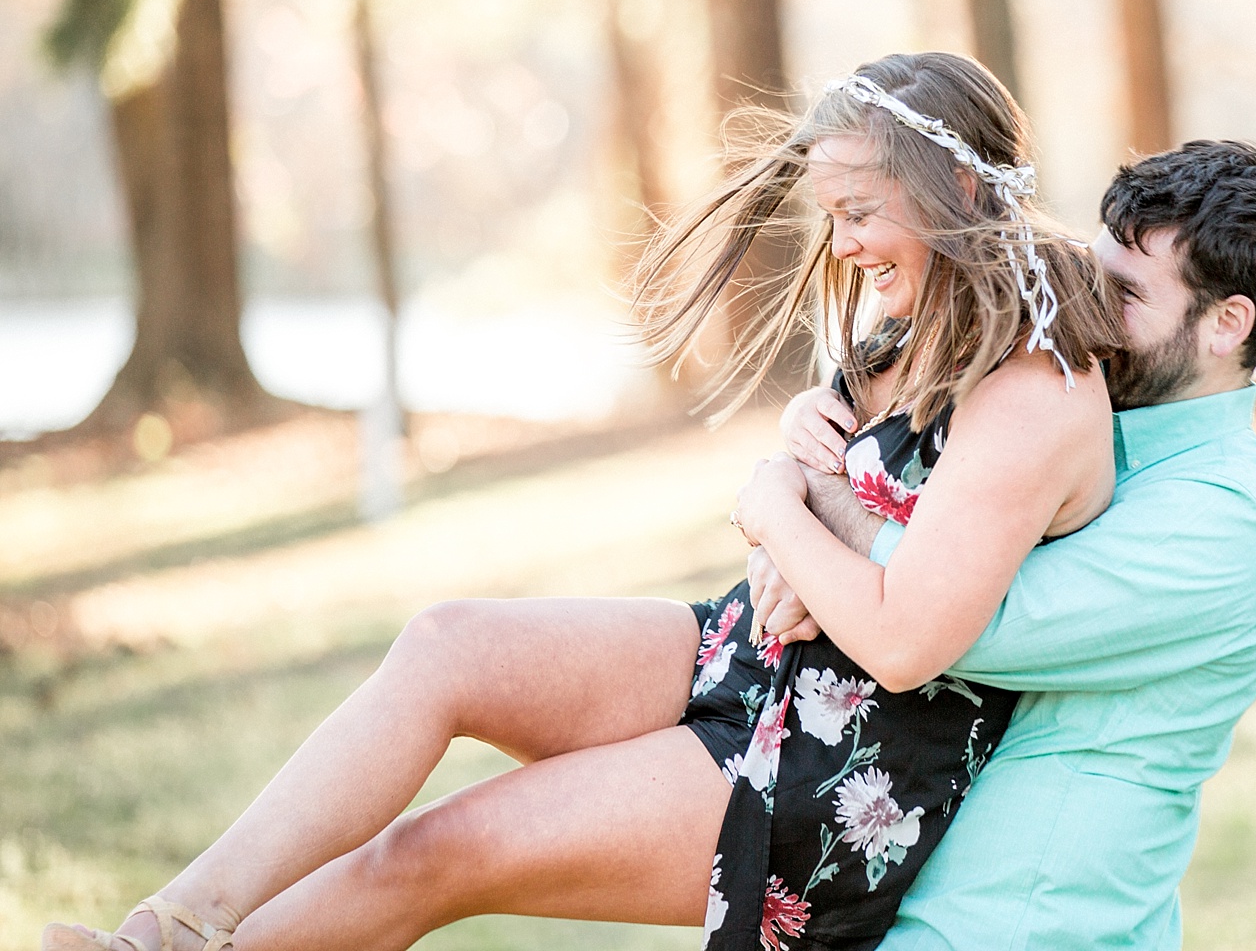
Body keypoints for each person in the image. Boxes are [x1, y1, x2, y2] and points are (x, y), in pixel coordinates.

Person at [41, 50, 1121, 951]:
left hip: (839, 765)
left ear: (963, 189)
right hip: (746, 658)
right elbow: (859, 499)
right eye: (828, 216)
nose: (839, 245)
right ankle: (168, 929)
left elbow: (900, 643)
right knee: (448, 644)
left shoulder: (1036, 395)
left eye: (858, 213)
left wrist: (772, 504)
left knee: (438, 852)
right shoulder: (920, 327)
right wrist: (803, 476)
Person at [739, 139, 1256, 949]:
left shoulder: (1228, 516)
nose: (1081, 308)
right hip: (905, 903)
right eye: (1089, 273)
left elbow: (949, 618)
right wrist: (811, 441)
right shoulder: (1069, 421)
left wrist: (792, 505)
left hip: (1023, 923)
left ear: (1226, 325)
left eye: (1121, 294)